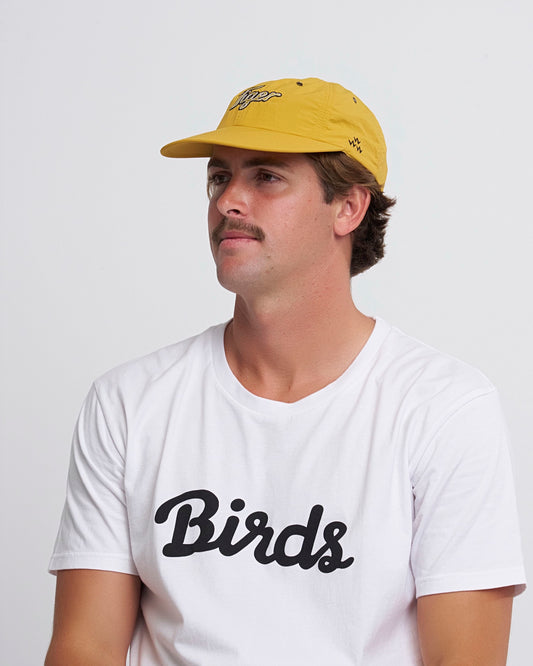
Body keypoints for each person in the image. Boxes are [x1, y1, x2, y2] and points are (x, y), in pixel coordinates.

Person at [45, 77, 526, 666]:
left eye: (266, 177)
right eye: (219, 177)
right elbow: (84, 647)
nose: (228, 200)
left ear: (348, 207)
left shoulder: (443, 408)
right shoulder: (128, 402)